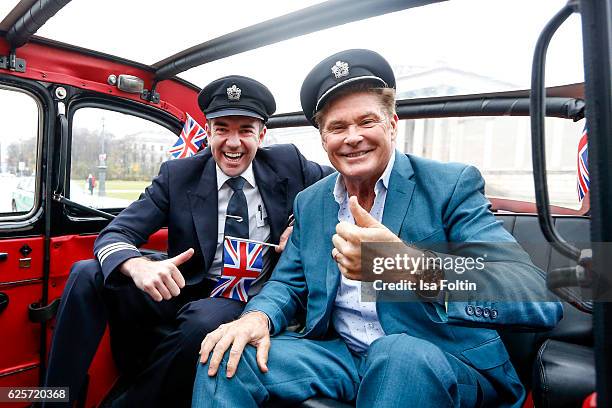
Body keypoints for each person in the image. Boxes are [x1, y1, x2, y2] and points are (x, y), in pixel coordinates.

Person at [193, 50, 564, 407]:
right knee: (226, 352)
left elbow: (535, 296)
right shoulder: (311, 202)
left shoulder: (449, 185)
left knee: (396, 353)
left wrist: (406, 264)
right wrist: (257, 318)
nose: (352, 137)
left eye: (367, 121)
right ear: (324, 140)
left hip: (439, 357)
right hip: (343, 354)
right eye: (337, 127)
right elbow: (288, 283)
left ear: (392, 124)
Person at [44, 75, 332, 407]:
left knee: (204, 322)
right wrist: (138, 266)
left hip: (248, 292)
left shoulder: (289, 163)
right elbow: (116, 232)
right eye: (222, 128)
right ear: (208, 131)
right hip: (187, 283)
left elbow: (338, 183)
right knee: (86, 274)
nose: (233, 142)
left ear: (262, 135)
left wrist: (298, 222)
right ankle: (55, 400)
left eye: (245, 131)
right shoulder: (178, 175)